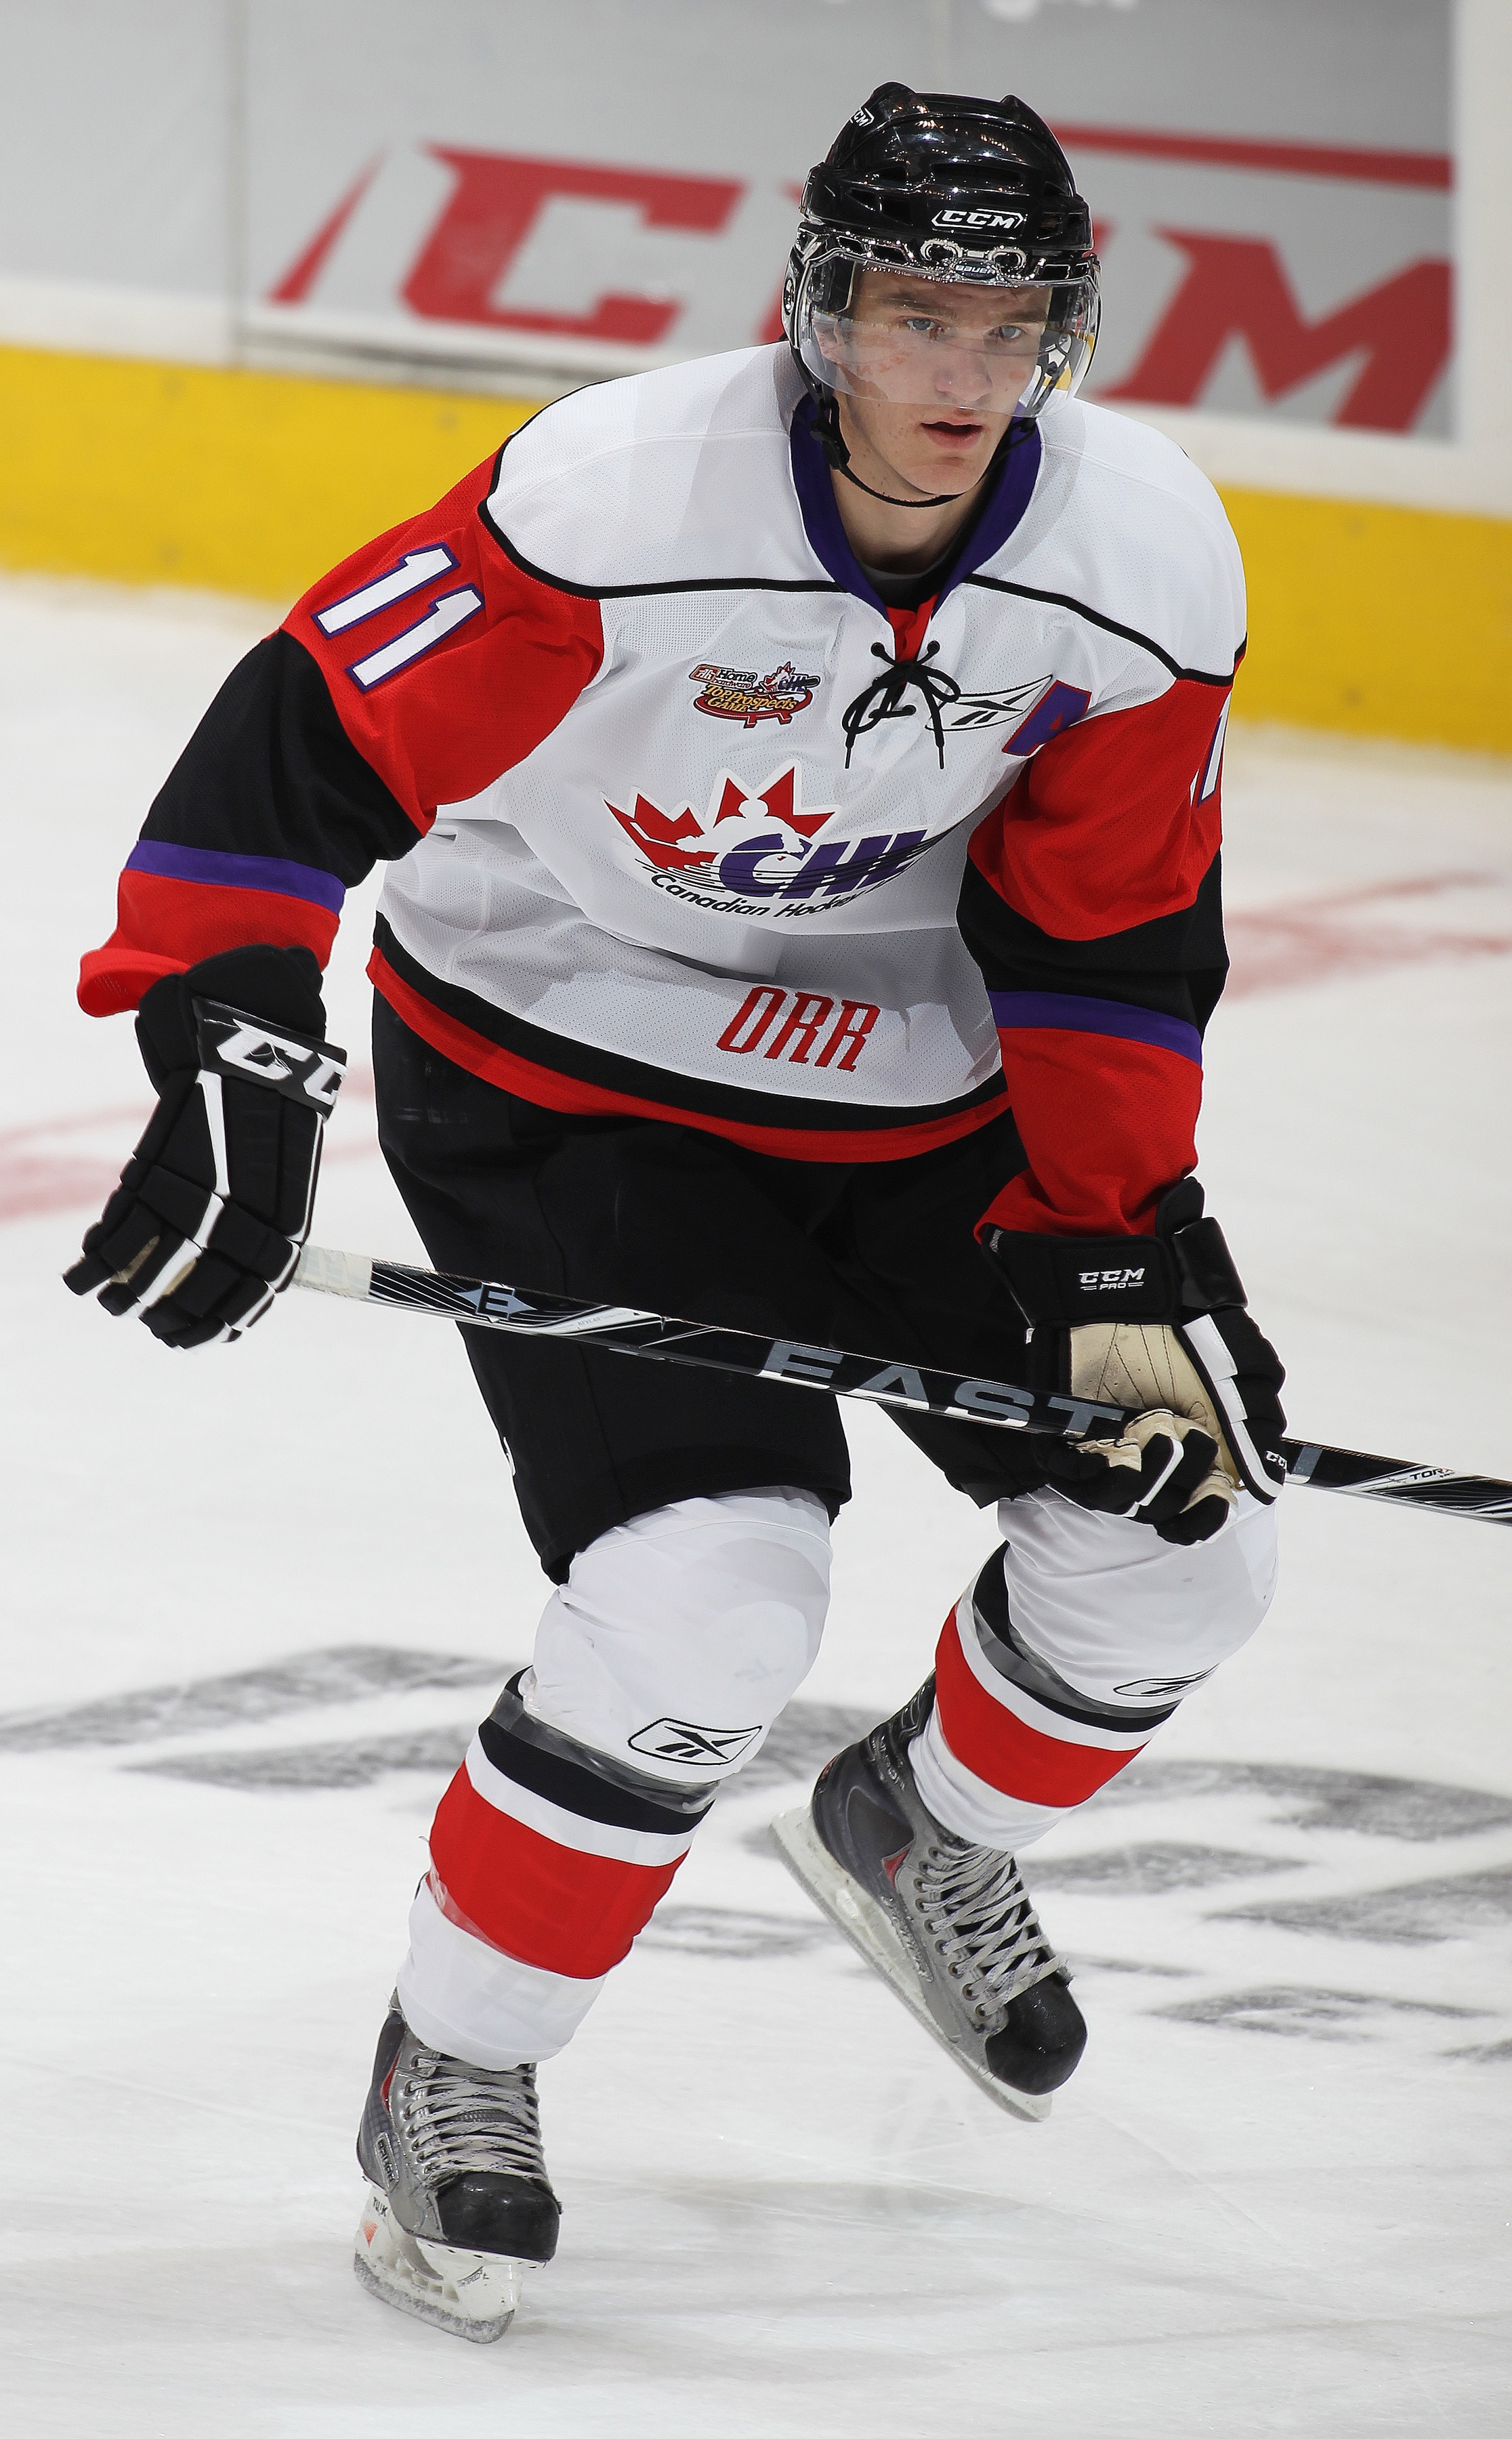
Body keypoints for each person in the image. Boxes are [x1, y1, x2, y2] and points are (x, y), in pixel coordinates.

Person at [66, 85, 1286, 2342]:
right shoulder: (620, 498)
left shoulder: (1142, 556)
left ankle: (926, 1826)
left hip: (924, 1098)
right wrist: (229, 1037)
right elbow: (301, 746)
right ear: (818, 303)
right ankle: (463, 2056)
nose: (954, 370)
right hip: (567, 1077)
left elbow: (1114, 932)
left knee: (1188, 1540)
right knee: (714, 1592)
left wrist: (1118, 1236)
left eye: (1005, 319)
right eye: (910, 308)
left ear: (1062, 328)